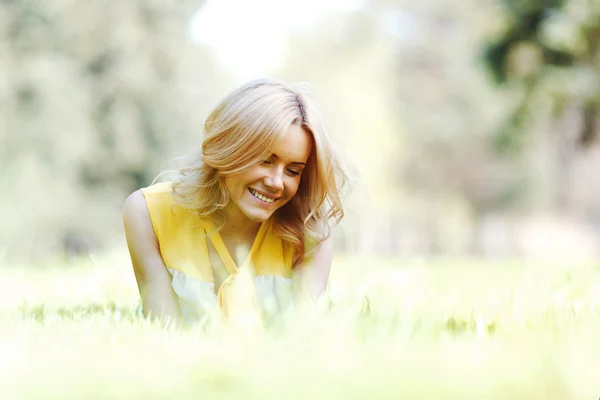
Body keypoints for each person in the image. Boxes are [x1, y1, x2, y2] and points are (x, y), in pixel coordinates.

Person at [122, 78, 351, 326]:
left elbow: (299, 339)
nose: (276, 182)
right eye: (264, 159)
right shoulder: (147, 213)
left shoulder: (311, 235)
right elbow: (164, 330)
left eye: (293, 171)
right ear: (230, 147)